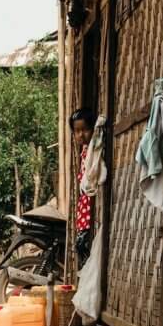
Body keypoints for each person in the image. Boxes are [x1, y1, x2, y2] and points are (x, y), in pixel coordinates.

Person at [70, 108, 96, 268]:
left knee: (85, 249)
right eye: (77, 131)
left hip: (89, 212)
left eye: (85, 130)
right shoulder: (85, 151)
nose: (81, 135)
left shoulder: (94, 150)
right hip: (83, 212)